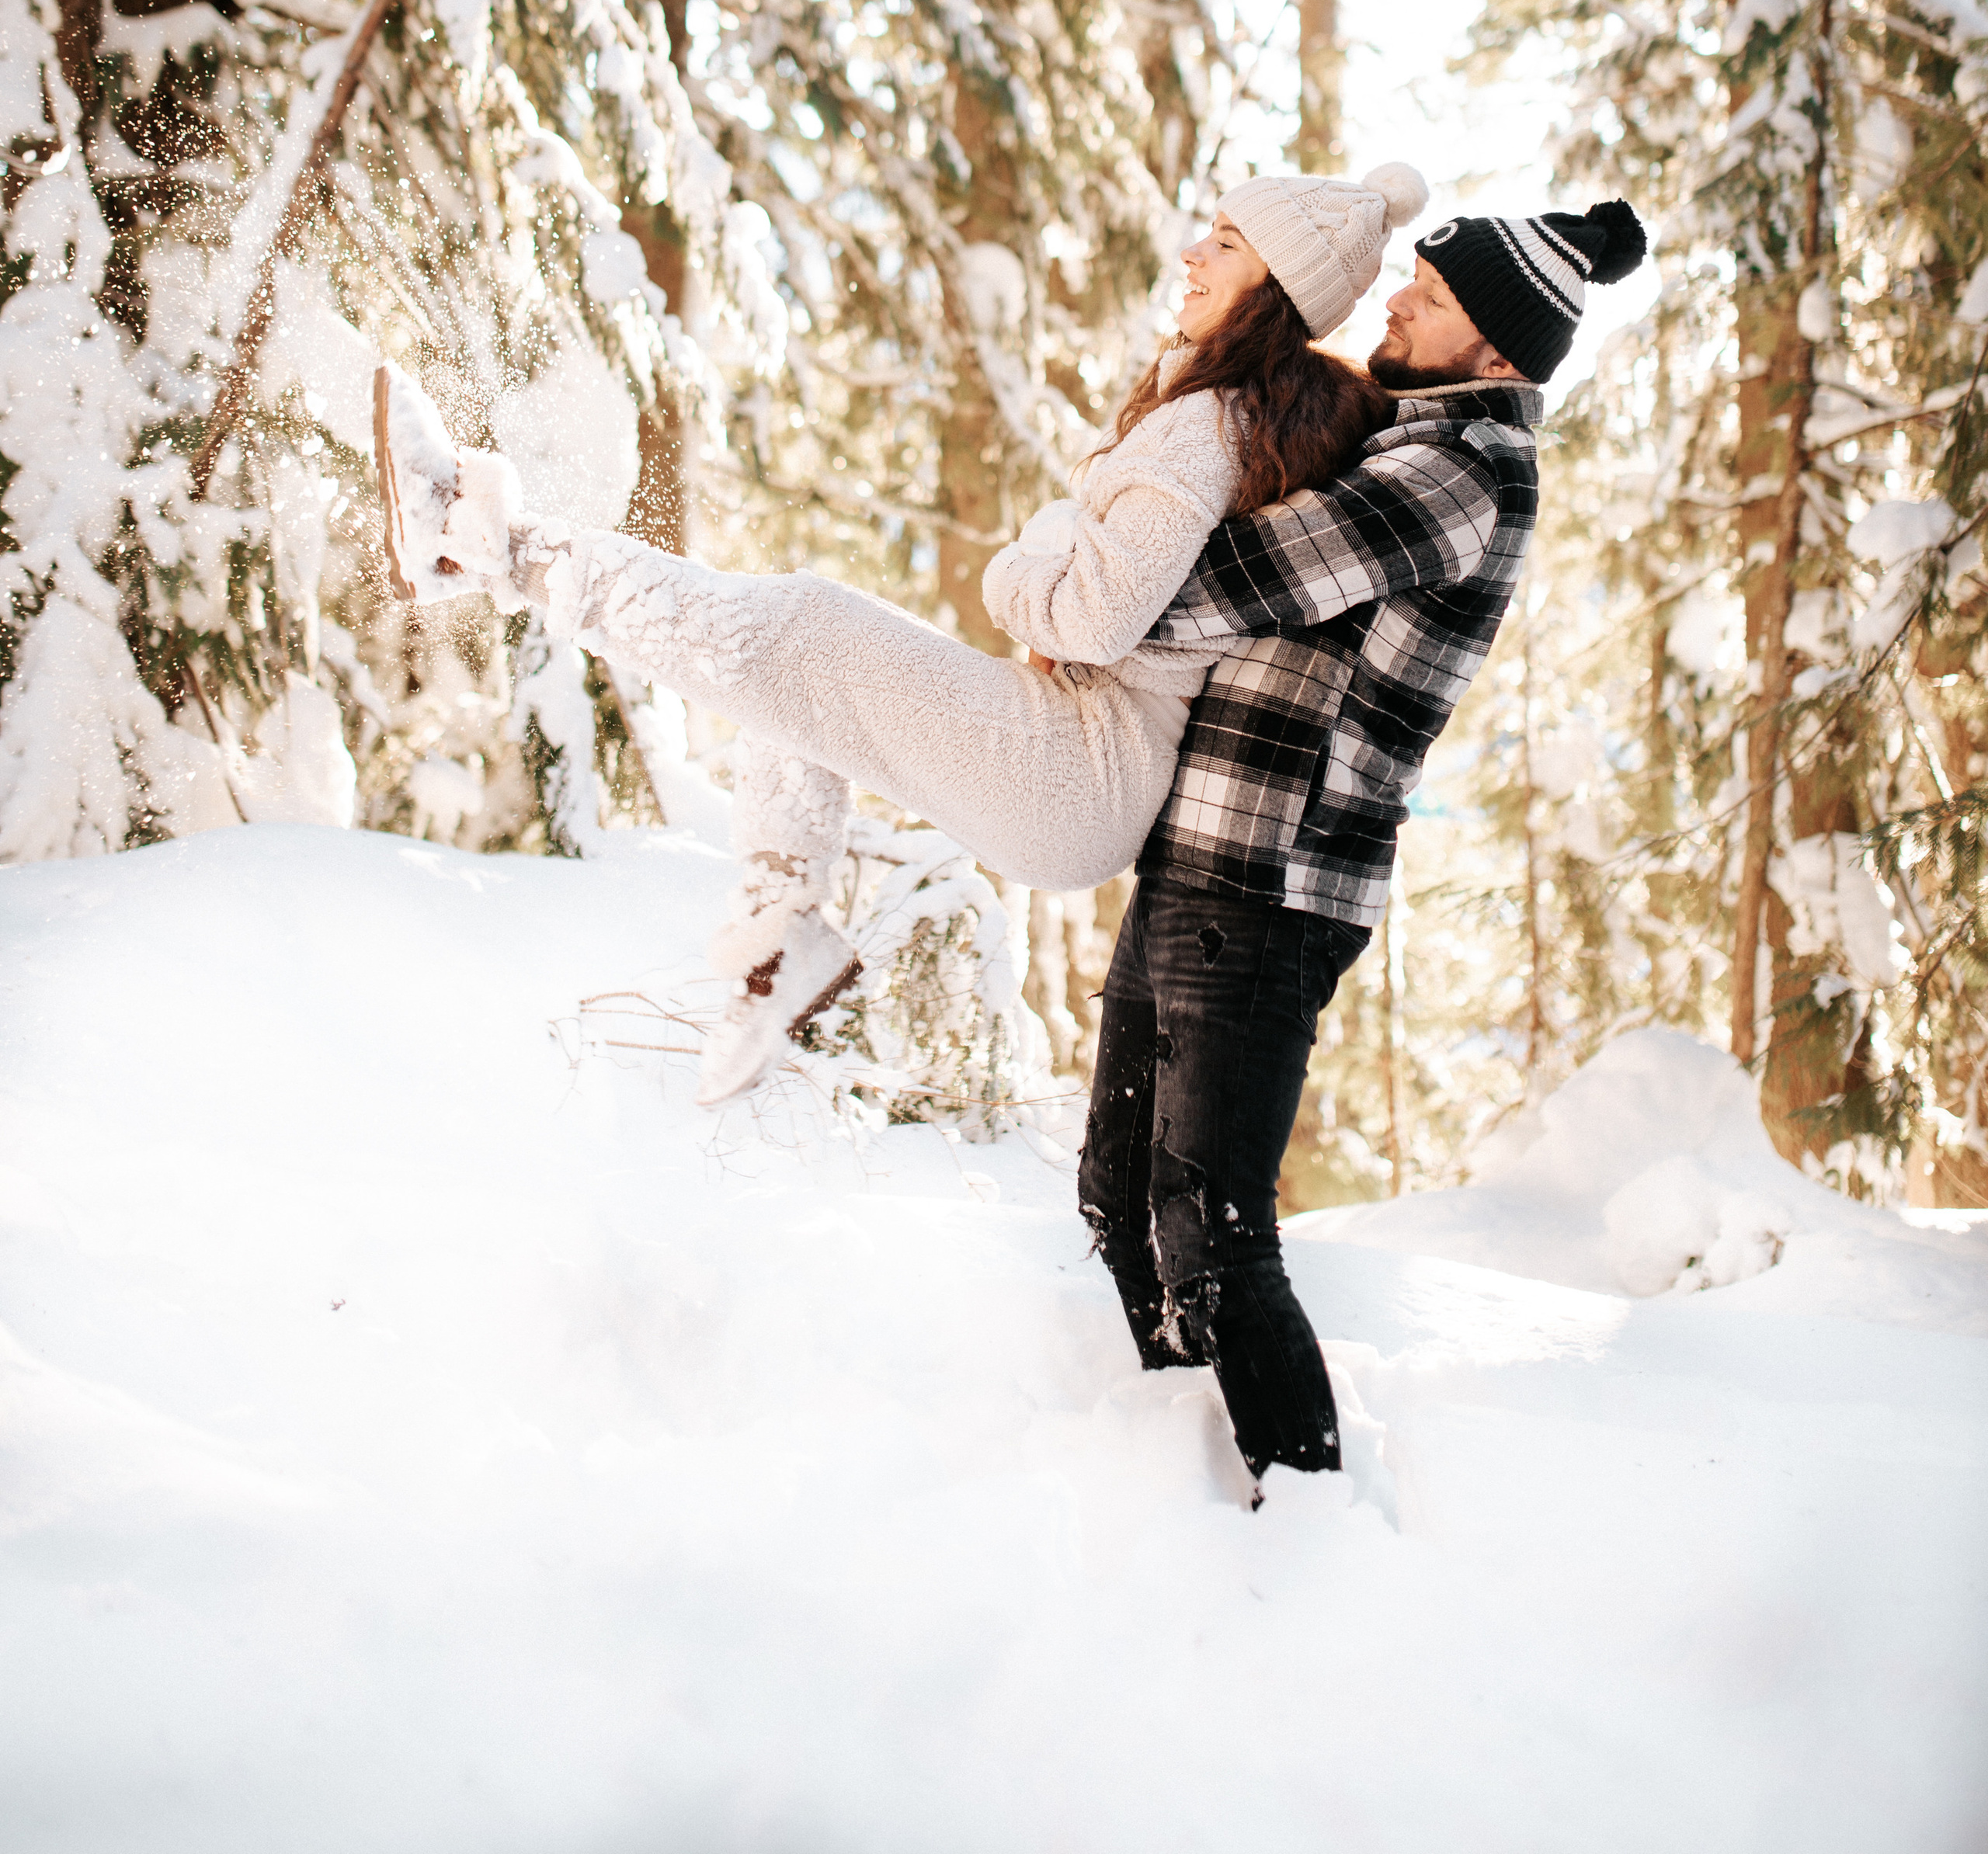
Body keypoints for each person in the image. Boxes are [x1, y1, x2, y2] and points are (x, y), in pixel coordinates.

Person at [372, 163, 1427, 1101]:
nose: (1196, 252)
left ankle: (484, 541)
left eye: (1228, 246)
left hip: (1080, 765)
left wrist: (1020, 566)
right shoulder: (1233, 416)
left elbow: (1095, 616)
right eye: (1208, 230)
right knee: (792, 682)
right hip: (1083, 764)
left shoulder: (1206, 426)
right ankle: (775, 938)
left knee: (801, 629)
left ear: (1273, 292)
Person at [1078, 196, 1647, 1498]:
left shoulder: (1459, 475)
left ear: (1496, 355)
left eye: (1430, 300)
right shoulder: (1392, 442)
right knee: (1118, 1195)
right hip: (1201, 859)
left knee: (1215, 1236)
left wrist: (1093, 591)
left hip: (1269, 884)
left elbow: (1221, 588)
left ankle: (1307, 1514)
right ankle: (1182, 1472)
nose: (1395, 303)